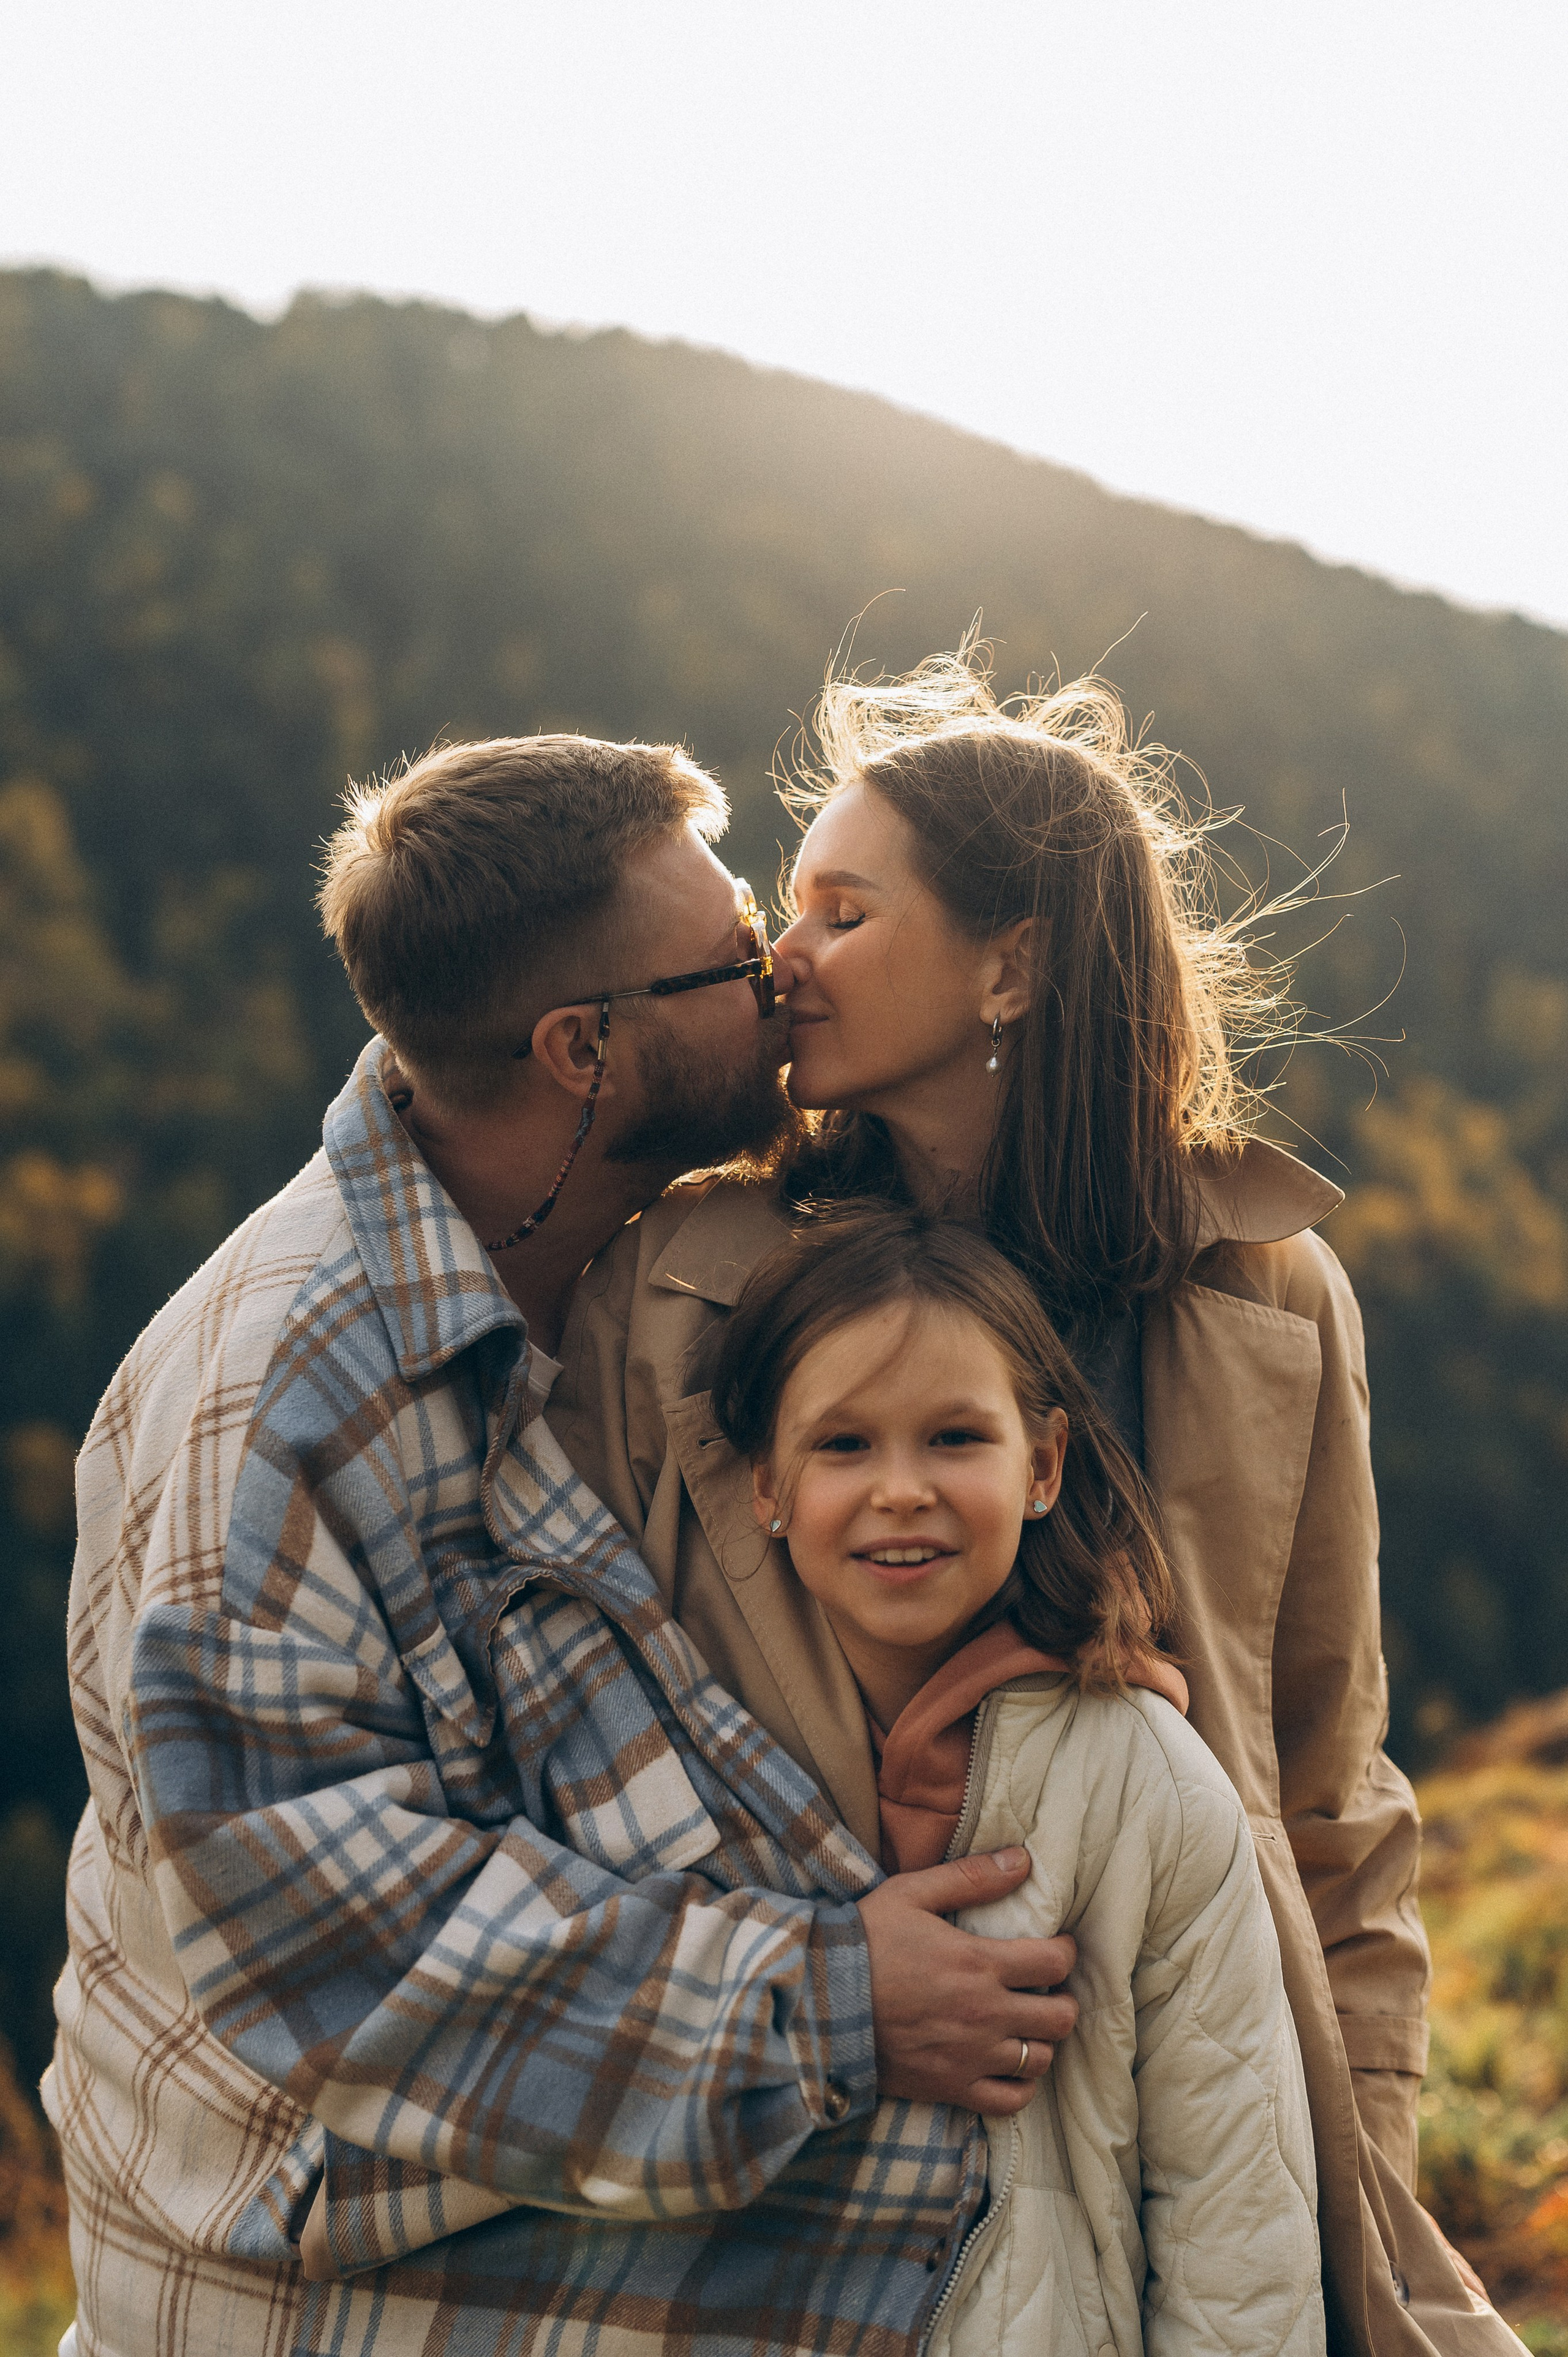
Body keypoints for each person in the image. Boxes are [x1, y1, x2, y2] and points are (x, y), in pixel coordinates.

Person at [46, 733, 1082, 2357]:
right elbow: (342, 1942)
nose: (781, 977)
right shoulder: (296, 1403)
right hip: (330, 2294)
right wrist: (831, 2003)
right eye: (737, 955)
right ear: (583, 1051)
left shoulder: (605, 1283)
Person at [546, 654, 1525, 2356]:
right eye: (792, 908)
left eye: (844, 912)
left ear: (1013, 961)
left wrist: (1352, 2164)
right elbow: (584, 1750)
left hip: (1206, 2134)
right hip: (818, 2178)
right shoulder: (682, 1292)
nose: (785, 958)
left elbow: (1330, 1797)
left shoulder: (1268, 1298)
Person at [708, 1204, 1327, 2356]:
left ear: (1042, 1465)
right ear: (768, 1486)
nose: (902, 1490)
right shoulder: (710, 1752)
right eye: (844, 1446)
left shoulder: (1148, 1782)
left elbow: (1236, 2214)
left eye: (955, 1439)